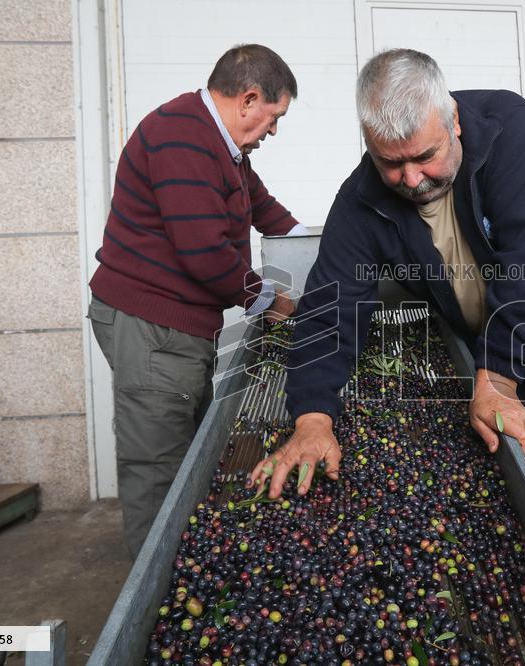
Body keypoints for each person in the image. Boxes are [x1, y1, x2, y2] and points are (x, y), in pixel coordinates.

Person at [250, 49, 525, 588]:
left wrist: (498, 378)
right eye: (391, 163)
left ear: (454, 121)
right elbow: (332, 308)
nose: (412, 178)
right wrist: (313, 419)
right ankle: (517, 574)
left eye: (425, 156)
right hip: (480, 336)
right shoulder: (360, 200)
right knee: (497, 451)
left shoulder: (509, 128)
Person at [88, 44, 307, 558]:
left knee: (188, 460)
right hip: (152, 326)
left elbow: (264, 208)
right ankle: (150, 619)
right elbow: (205, 254)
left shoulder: (224, 148)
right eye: (274, 117)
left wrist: (321, 247)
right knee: (158, 470)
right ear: (249, 99)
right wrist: (274, 302)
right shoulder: (180, 136)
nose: (273, 131)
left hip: (175, 329)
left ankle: (181, 572)